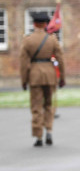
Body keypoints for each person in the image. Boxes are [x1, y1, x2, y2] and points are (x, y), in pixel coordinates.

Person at [20, 11, 65, 147]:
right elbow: (60, 59)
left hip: (34, 75)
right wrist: (62, 77)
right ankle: (49, 130)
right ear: (45, 24)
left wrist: (24, 80)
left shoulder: (28, 40)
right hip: (50, 75)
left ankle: (38, 136)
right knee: (49, 105)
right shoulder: (52, 39)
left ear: (34, 24)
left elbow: (23, 62)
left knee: (36, 107)